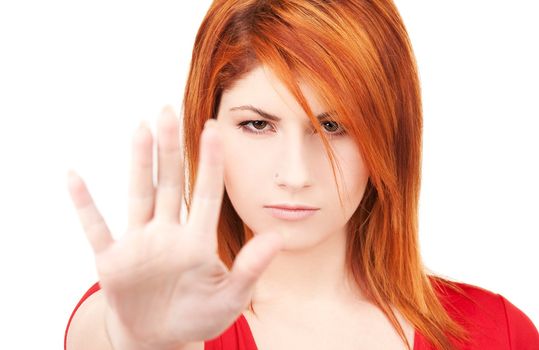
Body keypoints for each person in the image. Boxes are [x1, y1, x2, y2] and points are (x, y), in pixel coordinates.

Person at [64, 1, 539, 349]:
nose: (295, 174)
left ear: (390, 136)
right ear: (207, 126)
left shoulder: (498, 333)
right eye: (257, 124)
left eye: (333, 127)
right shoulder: (149, 309)